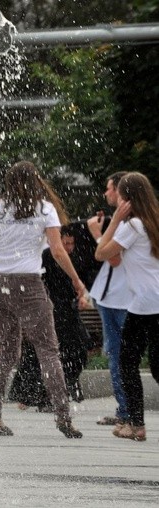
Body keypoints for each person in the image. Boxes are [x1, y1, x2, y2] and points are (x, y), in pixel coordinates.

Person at [0, 160, 85, 439]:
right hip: (29, 284)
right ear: (36, 181)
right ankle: (63, 417)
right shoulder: (44, 209)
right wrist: (76, 279)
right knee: (48, 350)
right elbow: (59, 252)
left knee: (7, 352)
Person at [95, 172, 159, 442]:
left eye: (119, 194)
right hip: (153, 300)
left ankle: (136, 424)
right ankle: (135, 422)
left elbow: (101, 253)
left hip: (144, 303)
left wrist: (115, 220)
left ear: (127, 198)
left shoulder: (131, 226)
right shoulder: (152, 221)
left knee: (127, 363)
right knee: (155, 365)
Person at [8, 224, 90, 411]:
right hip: (50, 309)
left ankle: (50, 393)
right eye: (65, 243)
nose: (68, 247)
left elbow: (80, 282)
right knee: (46, 353)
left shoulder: (71, 258)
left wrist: (81, 296)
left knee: (71, 350)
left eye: (71, 243)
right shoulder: (47, 257)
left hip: (65, 311)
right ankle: (42, 396)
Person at [87, 172, 132, 426]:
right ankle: (124, 411)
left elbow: (111, 257)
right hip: (111, 298)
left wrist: (96, 233)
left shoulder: (128, 223)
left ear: (119, 190)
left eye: (109, 189)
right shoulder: (124, 222)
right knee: (117, 356)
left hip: (121, 300)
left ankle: (127, 412)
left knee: (120, 356)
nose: (106, 194)